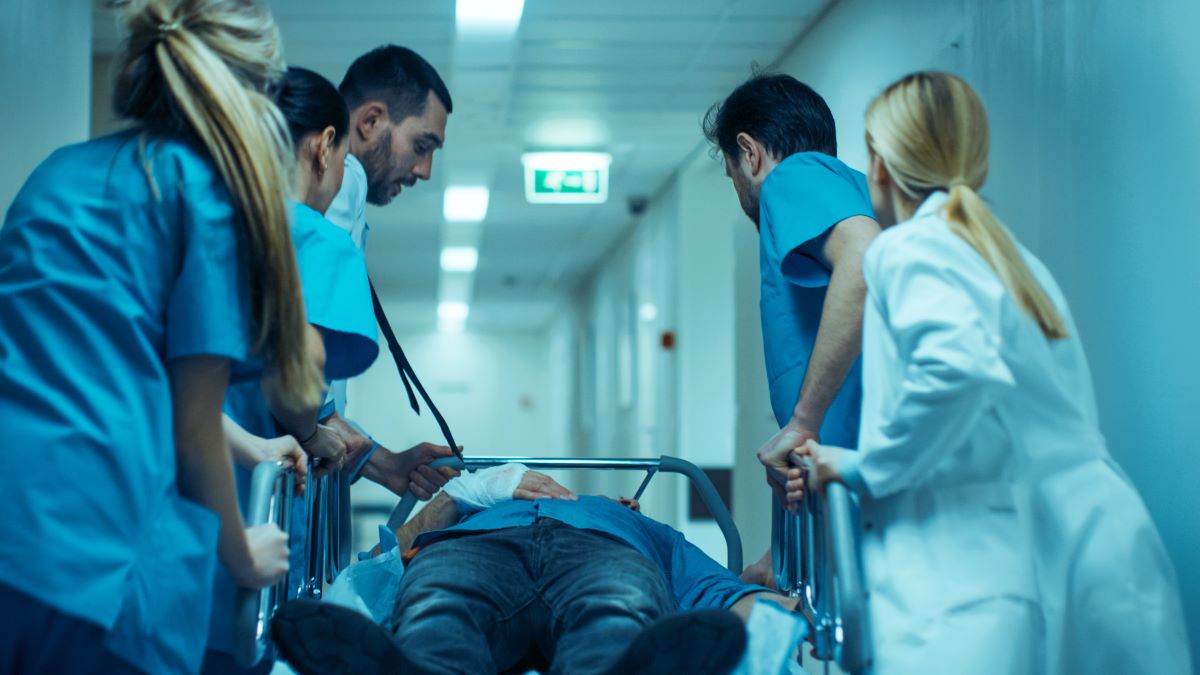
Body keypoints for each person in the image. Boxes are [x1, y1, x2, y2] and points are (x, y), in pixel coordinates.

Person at [791, 71, 1193, 673]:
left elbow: (958, 369)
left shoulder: (911, 248)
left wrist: (863, 467)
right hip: (1090, 541)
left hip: (989, 565)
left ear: (879, 164)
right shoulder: (1008, 259)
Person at [0, 1, 321, 672]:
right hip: (97, 555)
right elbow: (192, 423)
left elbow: (108, 368)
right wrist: (243, 554)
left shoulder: (57, 173)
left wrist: (255, 446)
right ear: (255, 95)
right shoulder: (204, 195)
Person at [270, 465, 806, 675]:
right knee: (438, 609)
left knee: (616, 616)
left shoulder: (645, 529)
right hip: (472, 549)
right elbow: (381, 564)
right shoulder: (478, 507)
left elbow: (722, 595)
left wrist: (781, 612)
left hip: (604, 555)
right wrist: (461, 494)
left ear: (629, 503)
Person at [199, 65, 382, 674]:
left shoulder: (202, 223)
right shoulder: (316, 240)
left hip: (171, 494)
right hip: (253, 512)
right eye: (344, 159)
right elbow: (294, 380)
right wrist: (313, 432)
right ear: (324, 146)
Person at [702, 74, 880, 581]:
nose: (738, 190)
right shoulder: (849, 192)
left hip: (861, 500)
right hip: (845, 501)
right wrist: (776, 559)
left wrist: (803, 421)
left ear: (749, 153)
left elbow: (865, 258)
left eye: (731, 174)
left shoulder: (793, 176)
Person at [319, 45, 460, 499]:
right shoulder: (343, 176)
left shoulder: (341, 190)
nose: (425, 170)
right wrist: (319, 419)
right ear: (371, 121)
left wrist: (386, 465)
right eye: (421, 146)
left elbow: (318, 405)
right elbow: (300, 351)